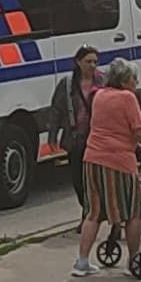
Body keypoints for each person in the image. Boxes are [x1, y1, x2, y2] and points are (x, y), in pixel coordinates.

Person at [74, 60, 141, 278]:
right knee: (133, 213)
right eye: (134, 78)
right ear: (125, 80)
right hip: (119, 162)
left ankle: (82, 262)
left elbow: (112, 128)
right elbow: (140, 132)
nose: (137, 82)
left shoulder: (99, 96)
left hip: (92, 158)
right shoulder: (127, 98)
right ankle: (134, 261)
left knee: (94, 213)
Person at [50, 44, 104, 187]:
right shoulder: (67, 84)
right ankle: (86, 206)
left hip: (97, 138)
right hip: (76, 139)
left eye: (95, 62)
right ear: (78, 62)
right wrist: (52, 136)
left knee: (96, 180)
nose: (92, 65)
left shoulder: (103, 81)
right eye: (88, 61)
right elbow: (56, 110)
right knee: (78, 180)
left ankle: (93, 207)